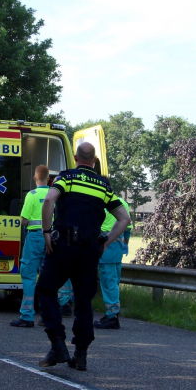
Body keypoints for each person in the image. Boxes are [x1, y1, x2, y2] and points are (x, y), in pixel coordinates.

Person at [35, 143, 131, 371]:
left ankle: (58, 344)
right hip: (89, 250)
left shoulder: (67, 178)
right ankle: (80, 354)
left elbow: (49, 200)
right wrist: (106, 241)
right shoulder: (103, 186)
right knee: (84, 301)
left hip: (63, 246)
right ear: (95, 160)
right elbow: (124, 218)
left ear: (76, 158)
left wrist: (47, 233)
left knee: (46, 290)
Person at [11, 165, 50, 328]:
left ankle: (27, 316)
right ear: (48, 178)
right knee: (47, 277)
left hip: (34, 238)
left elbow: (24, 220)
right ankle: (47, 316)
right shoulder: (54, 194)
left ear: (35, 178)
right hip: (51, 238)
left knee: (28, 275)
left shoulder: (32, 195)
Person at [94, 197, 131, 330]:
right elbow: (128, 228)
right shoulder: (123, 203)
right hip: (117, 249)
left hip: (106, 247)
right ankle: (111, 313)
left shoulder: (100, 204)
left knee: (108, 282)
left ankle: (112, 316)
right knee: (114, 281)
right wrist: (126, 244)